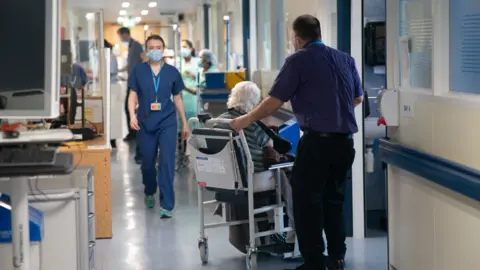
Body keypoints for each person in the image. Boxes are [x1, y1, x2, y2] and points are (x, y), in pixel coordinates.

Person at [230, 15, 363, 270]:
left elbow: (274, 101)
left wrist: (244, 120)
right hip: (345, 144)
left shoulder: (298, 60)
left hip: (317, 143)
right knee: (334, 200)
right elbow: (357, 98)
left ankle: (314, 261)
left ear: (297, 38)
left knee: (306, 202)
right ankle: (337, 257)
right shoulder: (345, 59)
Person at [216, 81, 296, 249]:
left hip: (228, 179)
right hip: (254, 178)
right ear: (254, 102)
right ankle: (289, 233)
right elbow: (270, 147)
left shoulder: (220, 121)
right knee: (289, 174)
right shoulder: (252, 123)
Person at [128, 35, 189, 218]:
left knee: (167, 162)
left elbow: (177, 98)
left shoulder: (172, 72)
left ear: (164, 49)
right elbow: (132, 95)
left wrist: (184, 122)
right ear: (146, 50)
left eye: (159, 46)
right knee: (147, 163)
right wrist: (132, 115)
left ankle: (167, 205)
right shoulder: (138, 71)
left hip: (167, 121)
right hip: (146, 120)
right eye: (152, 47)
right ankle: (149, 190)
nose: (155, 50)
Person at [117, 27, 147, 163]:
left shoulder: (136, 45)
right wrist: (118, 71)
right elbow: (130, 64)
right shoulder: (130, 47)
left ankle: (134, 132)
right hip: (132, 81)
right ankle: (132, 132)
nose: (120, 38)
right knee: (127, 108)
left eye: (120, 36)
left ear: (125, 34)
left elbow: (143, 59)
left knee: (131, 108)